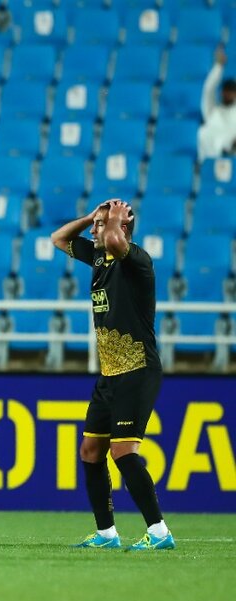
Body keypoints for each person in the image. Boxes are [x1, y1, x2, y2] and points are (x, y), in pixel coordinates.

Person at [51, 199, 175, 550]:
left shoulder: (136, 260)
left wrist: (116, 221)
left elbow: (118, 242)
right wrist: (94, 216)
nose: (94, 230)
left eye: (100, 225)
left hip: (137, 369)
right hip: (110, 374)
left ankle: (160, 532)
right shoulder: (100, 257)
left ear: (121, 228)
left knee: (122, 452)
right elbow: (58, 239)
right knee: (91, 451)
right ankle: (107, 533)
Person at [197, 45, 236, 162]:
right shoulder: (212, 110)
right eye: (226, 91)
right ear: (221, 93)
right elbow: (208, 89)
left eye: (232, 92)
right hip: (212, 160)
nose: (228, 94)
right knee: (203, 132)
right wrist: (218, 66)